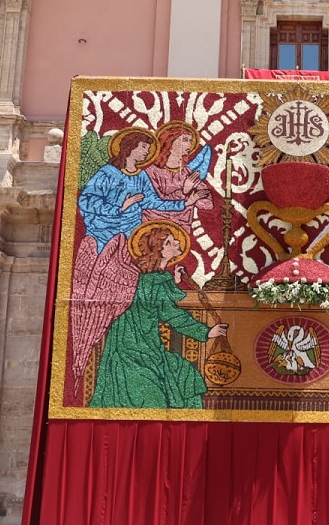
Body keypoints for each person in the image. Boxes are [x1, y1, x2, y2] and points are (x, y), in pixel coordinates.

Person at [89, 221, 227, 409]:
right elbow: (171, 314)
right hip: (133, 349)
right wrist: (207, 332)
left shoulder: (155, 277)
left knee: (184, 374)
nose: (178, 243)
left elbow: (158, 302)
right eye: (170, 242)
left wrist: (174, 281)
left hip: (147, 344)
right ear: (160, 249)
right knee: (154, 393)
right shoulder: (152, 280)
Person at [78, 127, 199, 250]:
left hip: (131, 233)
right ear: (130, 146)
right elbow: (85, 200)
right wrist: (120, 208)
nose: (147, 151)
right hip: (103, 234)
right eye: (143, 147)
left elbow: (153, 201)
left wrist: (184, 203)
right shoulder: (108, 173)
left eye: (147, 148)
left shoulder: (141, 176)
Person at [144, 121, 213, 231]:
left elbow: (207, 204)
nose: (189, 144)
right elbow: (153, 203)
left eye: (190, 141)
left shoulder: (188, 173)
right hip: (154, 228)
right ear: (169, 142)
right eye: (185, 140)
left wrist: (192, 195)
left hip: (182, 230)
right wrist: (185, 192)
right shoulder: (151, 172)